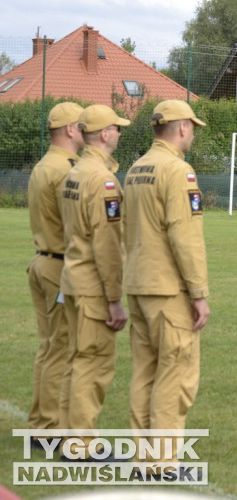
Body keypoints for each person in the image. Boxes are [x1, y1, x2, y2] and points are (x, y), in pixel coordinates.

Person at [123, 100, 211, 473]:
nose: (192, 133)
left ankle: (144, 455)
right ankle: (163, 460)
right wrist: (199, 293)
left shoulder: (135, 168)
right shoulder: (178, 171)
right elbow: (184, 236)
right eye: (191, 126)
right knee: (175, 373)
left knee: (145, 371)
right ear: (180, 128)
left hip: (139, 283)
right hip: (168, 288)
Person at [59, 104, 131, 460]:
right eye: (117, 128)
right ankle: (81, 446)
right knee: (94, 363)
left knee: (77, 360)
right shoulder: (102, 180)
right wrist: (114, 299)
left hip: (72, 279)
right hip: (91, 286)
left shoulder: (75, 172)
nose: (119, 133)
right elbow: (107, 244)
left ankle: (68, 438)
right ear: (104, 134)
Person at [26, 102, 84, 446]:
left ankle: (39, 424)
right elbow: (74, 221)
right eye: (83, 126)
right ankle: (48, 427)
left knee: (49, 348)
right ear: (71, 130)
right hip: (60, 265)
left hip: (41, 260)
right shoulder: (66, 169)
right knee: (60, 349)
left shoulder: (43, 164)